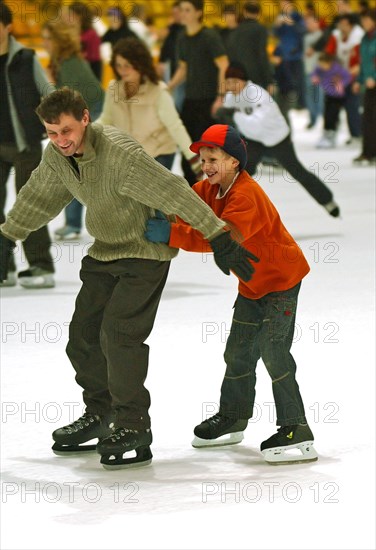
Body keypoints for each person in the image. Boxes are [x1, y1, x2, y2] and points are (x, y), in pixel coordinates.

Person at [0, 88, 258, 470]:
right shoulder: (58, 156)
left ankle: (133, 425)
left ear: (85, 118)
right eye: (52, 133)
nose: (60, 141)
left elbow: (174, 191)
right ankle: (101, 414)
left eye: (66, 131)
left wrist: (217, 235)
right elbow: (39, 196)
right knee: (83, 337)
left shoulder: (121, 156)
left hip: (144, 252)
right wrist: (8, 236)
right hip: (105, 249)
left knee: (119, 336)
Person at [144, 124, 318, 465]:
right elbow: (184, 202)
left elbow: (225, 239)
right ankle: (234, 415)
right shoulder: (212, 189)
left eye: (214, 159)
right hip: (252, 284)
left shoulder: (245, 195)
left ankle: (297, 427)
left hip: (281, 281)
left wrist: (172, 234)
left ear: (235, 162)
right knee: (237, 351)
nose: (206, 165)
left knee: (273, 350)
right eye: (203, 158)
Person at [216, 63, 341, 217]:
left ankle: (327, 200)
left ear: (244, 81)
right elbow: (226, 109)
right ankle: (229, 210)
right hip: (255, 140)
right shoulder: (231, 96)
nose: (231, 86)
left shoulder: (257, 94)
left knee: (297, 171)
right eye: (228, 82)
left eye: (235, 82)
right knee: (241, 173)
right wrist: (222, 111)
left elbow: (258, 124)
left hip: (277, 139)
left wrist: (233, 115)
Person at [0, 2, 55, 289]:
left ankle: (40, 266)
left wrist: (60, 125)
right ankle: (3, 268)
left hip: (26, 144)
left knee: (30, 206)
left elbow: (48, 92)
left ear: (8, 26)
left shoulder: (25, 57)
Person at [96, 37, 201, 175]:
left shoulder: (158, 91)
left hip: (159, 153)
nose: (122, 70)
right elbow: (106, 119)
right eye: (118, 65)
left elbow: (175, 126)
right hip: (130, 155)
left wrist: (194, 160)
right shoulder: (113, 89)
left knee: (148, 194)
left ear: (139, 64)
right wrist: (85, 131)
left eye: (127, 65)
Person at [41, 19, 104, 240]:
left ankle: (80, 222)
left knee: (78, 166)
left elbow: (64, 101)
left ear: (58, 40)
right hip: (86, 112)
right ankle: (75, 222)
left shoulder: (69, 64)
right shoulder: (64, 60)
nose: (44, 43)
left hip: (91, 113)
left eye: (48, 38)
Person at [167, 0, 229, 185]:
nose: (183, 13)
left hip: (208, 100)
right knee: (188, 148)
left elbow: (223, 65)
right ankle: (192, 191)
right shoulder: (182, 38)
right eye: (181, 10)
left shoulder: (209, 36)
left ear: (198, 13)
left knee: (209, 149)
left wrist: (220, 96)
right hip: (190, 100)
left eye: (188, 10)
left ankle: (216, 188)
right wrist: (169, 86)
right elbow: (183, 68)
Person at [311, 52, 353, 149]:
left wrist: (341, 84)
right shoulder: (320, 69)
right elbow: (314, 73)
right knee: (326, 114)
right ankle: (326, 133)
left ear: (329, 63)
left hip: (338, 96)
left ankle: (332, 135)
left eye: (323, 65)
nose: (322, 67)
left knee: (333, 115)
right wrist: (315, 77)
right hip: (328, 94)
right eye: (320, 65)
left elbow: (348, 77)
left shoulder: (337, 69)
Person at [352, 8, 376, 165]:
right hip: (369, 85)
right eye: (363, 21)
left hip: (373, 82)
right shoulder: (365, 39)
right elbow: (363, 62)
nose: (364, 23)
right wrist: (359, 80)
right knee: (367, 119)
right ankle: (367, 152)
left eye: (367, 20)